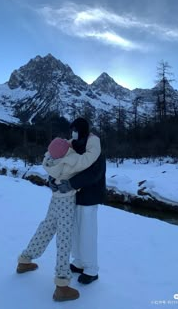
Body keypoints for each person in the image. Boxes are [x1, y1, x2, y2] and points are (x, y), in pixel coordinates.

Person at [16, 135, 100, 301]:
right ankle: (62, 285)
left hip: (55, 199)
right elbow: (89, 157)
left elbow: (56, 149)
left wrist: (62, 145)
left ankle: (25, 260)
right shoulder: (70, 160)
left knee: (46, 228)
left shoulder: (50, 160)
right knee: (64, 240)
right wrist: (92, 138)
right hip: (67, 201)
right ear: (66, 151)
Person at [56, 118, 106, 285]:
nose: (73, 133)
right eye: (72, 130)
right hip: (74, 195)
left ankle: (92, 269)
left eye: (75, 130)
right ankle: (78, 262)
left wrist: (71, 184)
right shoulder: (74, 145)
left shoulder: (94, 147)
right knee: (75, 230)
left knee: (87, 233)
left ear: (82, 130)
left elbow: (94, 173)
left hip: (89, 196)